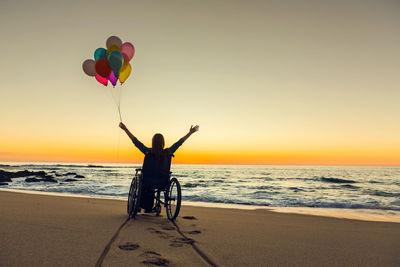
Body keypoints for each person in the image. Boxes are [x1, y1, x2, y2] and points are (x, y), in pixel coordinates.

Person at [119, 122, 199, 212]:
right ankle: (153, 206)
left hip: (146, 182)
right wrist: (190, 133)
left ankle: (140, 205)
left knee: (140, 177)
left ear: (153, 142)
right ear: (163, 142)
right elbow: (179, 143)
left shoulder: (147, 151)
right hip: (163, 183)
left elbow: (135, 141)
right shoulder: (168, 152)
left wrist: (125, 129)